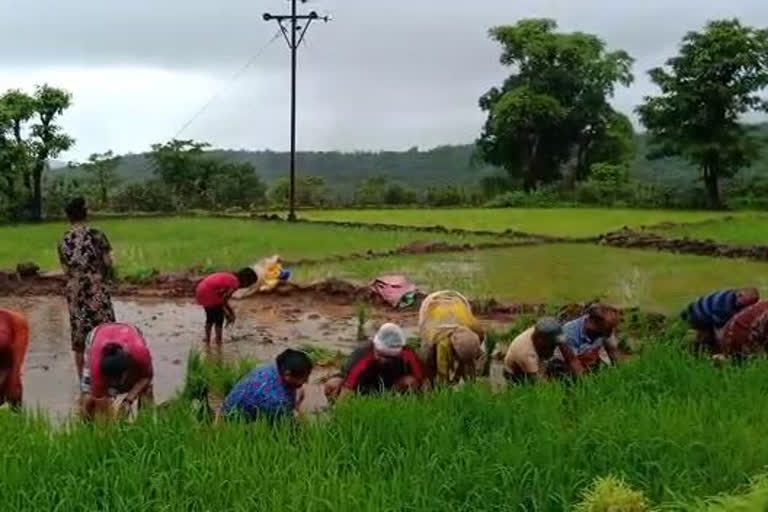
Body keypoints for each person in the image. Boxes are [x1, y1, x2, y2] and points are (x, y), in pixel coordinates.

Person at [58, 197, 116, 380]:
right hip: (95, 286)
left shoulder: (64, 240)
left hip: (74, 289)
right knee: (105, 331)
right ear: (86, 213)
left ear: (68, 217)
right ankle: (106, 375)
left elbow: (66, 270)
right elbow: (108, 262)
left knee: (79, 334)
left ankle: (82, 380)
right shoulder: (97, 235)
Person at [324, 323, 425, 400]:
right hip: (363, 386)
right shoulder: (362, 357)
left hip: (393, 384)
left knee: (411, 382)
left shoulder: (407, 353)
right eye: (381, 356)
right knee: (332, 384)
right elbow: (347, 389)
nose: (384, 360)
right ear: (376, 348)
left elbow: (422, 381)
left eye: (390, 358)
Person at [80, 323, 153, 420]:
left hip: (129, 332)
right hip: (97, 336)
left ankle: (146, 421)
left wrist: (128, 401)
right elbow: (101, 401)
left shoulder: (140, 352)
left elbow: (147, 377)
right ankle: (86, 424)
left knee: (146, 389)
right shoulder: (96, 366)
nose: (115, 385)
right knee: (89, 395)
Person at [222, 349, 313, 422]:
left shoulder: (268, 368)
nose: (306, 381)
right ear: (287, 374)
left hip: (230, 405)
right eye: (303, 377)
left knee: (300, 391)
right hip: (234, 419)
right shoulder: (275, 399)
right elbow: (287, 429)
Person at [418, 290, 485, 384]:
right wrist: (447, 384)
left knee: (467, 361)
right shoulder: (443, 343)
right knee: (428, 357)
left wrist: (459, 375)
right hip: (432, 304)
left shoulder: (475, 328)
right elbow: (443, 371)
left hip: (457, 299)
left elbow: (470, 356)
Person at [681, 288, 759, 353]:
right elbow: (719, 329)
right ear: (739, 295)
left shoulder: (736, 299)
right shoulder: (725, 306)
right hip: (697, 314)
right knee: (706, 337)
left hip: (707, 312)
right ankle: (687, 348)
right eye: (746, 304)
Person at [195, 268, 258, 346]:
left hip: (201, 290)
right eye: (249, 285)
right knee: (219, 319)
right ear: (246, 281)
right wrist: (228, 314)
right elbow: (224, 300)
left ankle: (207, 340)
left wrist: (230, 312)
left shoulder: (230, 277)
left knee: (210, 318)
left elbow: (223, 300)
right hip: (210, 294)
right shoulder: (235, 283)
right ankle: (219, 341)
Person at [504, 317, 573, 382]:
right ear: (541, 342)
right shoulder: (527, 354)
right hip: (517, 374)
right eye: (552, 345)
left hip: (539, 361)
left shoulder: (540, 331)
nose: (554, 348)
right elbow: (539, 384)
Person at [559, 303, 621, 376]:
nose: (610, 333)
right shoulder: (569, 333)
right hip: (565, 365)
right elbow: (573, 362)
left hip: (588, 361)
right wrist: (589, 385)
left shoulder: (605, 330)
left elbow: (612, 352)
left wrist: (620, 372)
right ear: (592, 322)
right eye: (607, 329)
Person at [0, 309, 29, 410]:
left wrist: (14, 378)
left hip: (6, 364)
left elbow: (16, 367)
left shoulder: (13, 320)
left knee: (14, 389)